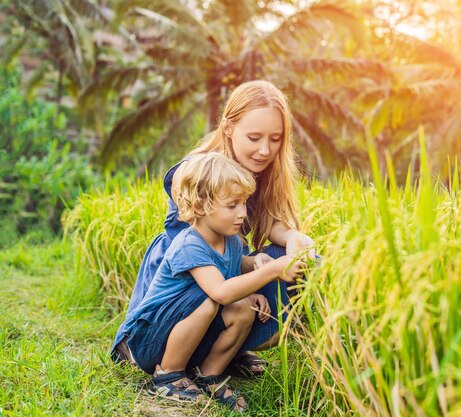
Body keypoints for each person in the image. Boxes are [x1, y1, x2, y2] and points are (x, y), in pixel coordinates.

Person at [112, 80, 316, 377]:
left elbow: (271, 222)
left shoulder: (258, 173)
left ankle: (227, 349)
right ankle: (176, 359)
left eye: (275, 139)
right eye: (255, 137)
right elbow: (204, 267)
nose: (264, 150)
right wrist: (258, 272)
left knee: (304, 265)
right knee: (214, 297)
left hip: (224, 271)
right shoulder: (197, 174)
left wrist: (294, 238)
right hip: (188, 284)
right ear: (229, 128)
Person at [121, 152, 305, 409]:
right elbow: (219, 291)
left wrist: (254, 263)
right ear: (199, 206)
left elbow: (232, 266)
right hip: (151, 339)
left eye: (244, 203)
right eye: (232, 205)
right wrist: (273, 269)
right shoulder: (189, 244)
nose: (242, 213)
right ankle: (168, 375)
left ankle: (208, 374)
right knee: (208, 303)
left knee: (243, 309)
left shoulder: (229, 239)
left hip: (188, 335)